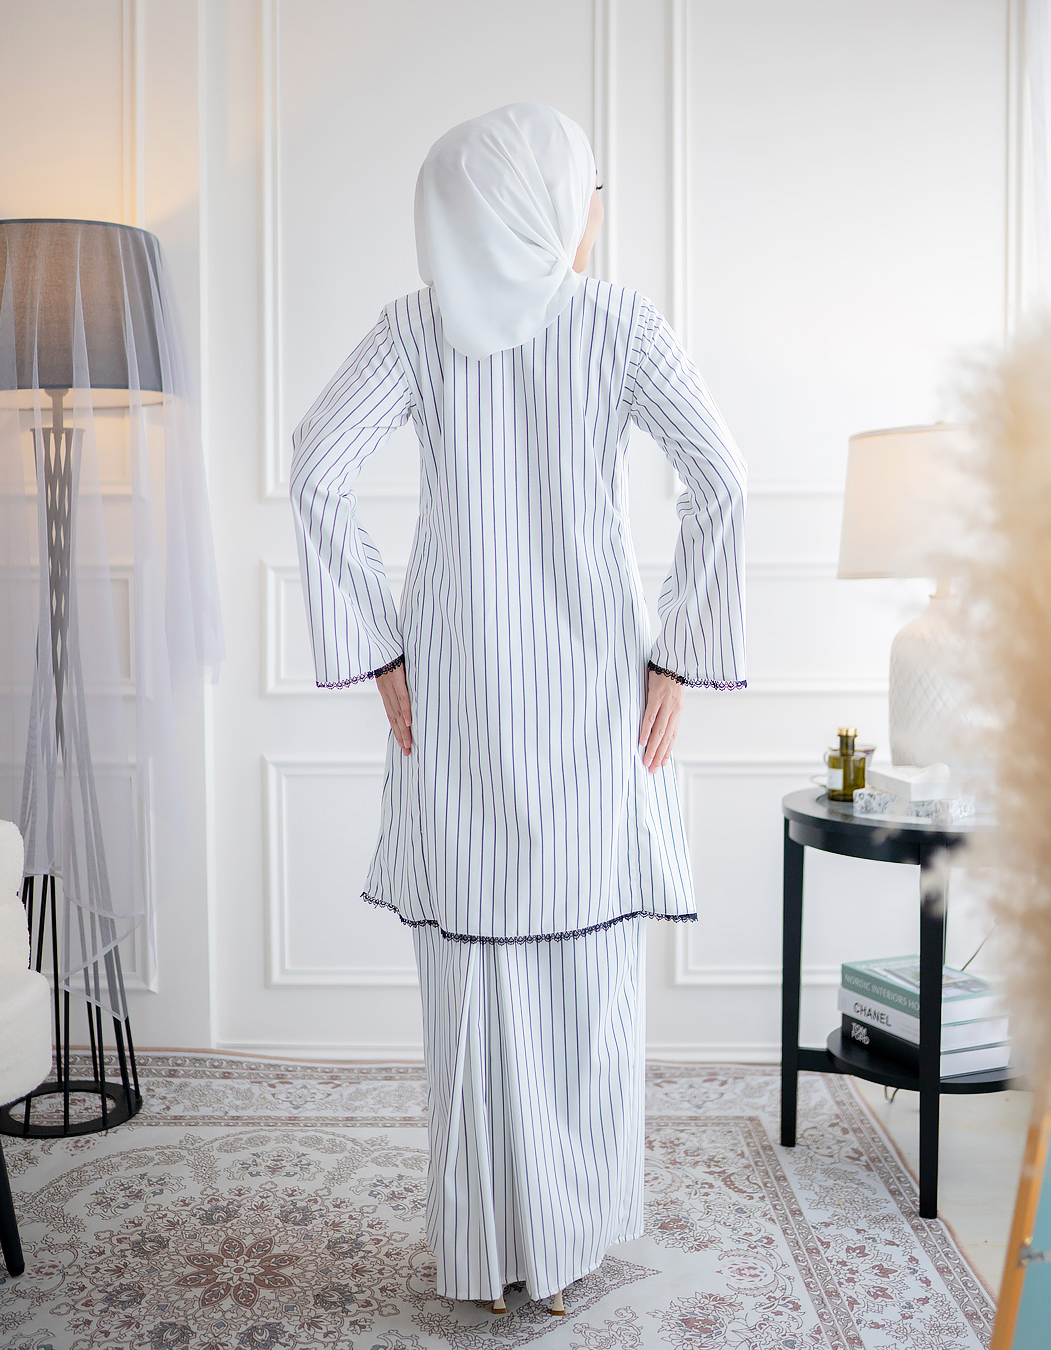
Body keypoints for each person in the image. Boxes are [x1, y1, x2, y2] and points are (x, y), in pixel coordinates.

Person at [290, 102, 746, 1317]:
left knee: (474, 978)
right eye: (588, 192)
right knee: (585, 976)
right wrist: (676, 659)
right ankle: (568, 1243)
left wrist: (380, 650)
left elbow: (315, 464)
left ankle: (487, 1250)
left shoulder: (416, 327)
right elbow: (724, 477)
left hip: (454, 692)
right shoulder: (618, 324)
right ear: (542, 206)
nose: (595, 214)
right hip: (594, 692)